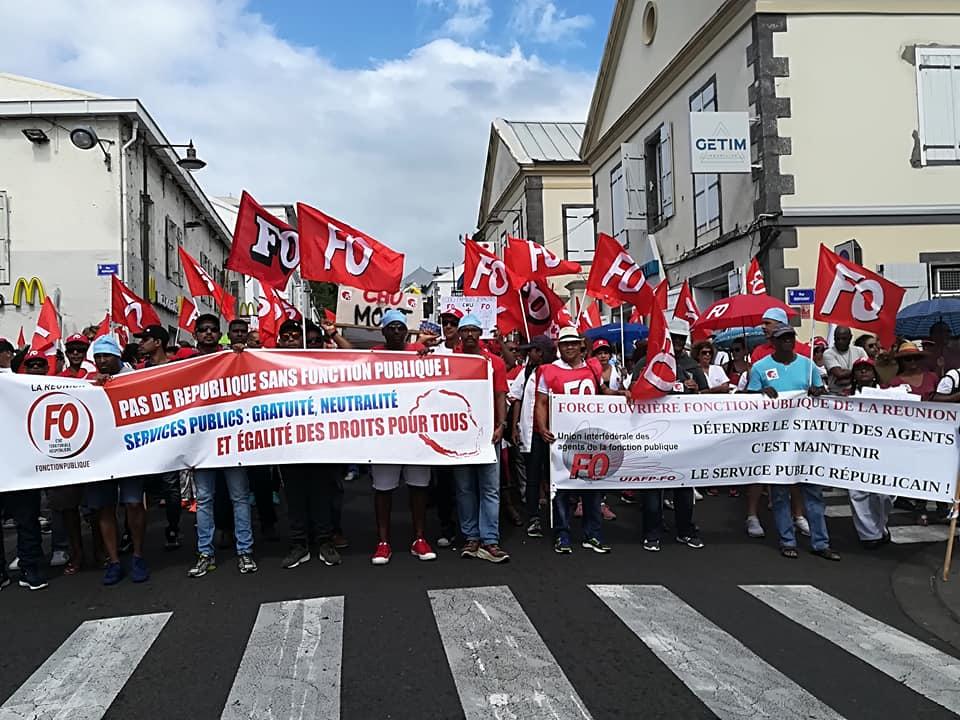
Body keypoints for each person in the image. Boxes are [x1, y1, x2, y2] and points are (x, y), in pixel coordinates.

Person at [747, 324, 839, 561]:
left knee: (813, 492)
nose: (787, 342)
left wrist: (817, 391)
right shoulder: (760, 368)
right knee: (779, 494)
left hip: (806, 439)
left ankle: (821, 543)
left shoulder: (808, 366)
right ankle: (787, 540)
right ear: (773, 343)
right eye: (782, 338)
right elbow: (747, 401)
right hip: (777, 442)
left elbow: (821, 391)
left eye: (790, 338)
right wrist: (760, 392)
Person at [534, 327, 617, 554]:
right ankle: (562, 534)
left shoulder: (592, 367)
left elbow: (604, 392)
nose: (569, 347)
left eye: (573, 343)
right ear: (559, 347)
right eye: (564, 344)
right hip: (562, 439)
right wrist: (542, 427)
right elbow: (541, 402)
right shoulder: (548, 370)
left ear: (581, 345)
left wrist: (623, 395)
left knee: (591, 486)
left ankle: (593, 534)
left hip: (590, 437)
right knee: (561, 488)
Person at [187, 316, 257, 579]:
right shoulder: (186, 364)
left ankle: (245, 551)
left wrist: (241, 354)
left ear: (219, 334)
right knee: (204, 499)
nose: (208, 333)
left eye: (212, 330)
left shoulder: (232, 358)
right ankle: (205, 553)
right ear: (195, 334)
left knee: (240, 498)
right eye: (203, 330)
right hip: (200, 444)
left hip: (231, 441)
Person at [367, 310, 437, 565]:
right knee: (383, 488)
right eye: (391, 328)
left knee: (419, 486)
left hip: (416, 432)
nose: (396, 332)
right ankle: (383, 542)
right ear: (383, 332)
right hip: (385, 433)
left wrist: (428, 357)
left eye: (400, 328)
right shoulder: (373, 355)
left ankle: (419, 538)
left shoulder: (418, 352)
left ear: (407, 331)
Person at [84, 336, 153, 584]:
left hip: (130, 453)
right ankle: (113, 561)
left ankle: (137, 556)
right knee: (105, 507)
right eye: (98, 357)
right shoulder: (88, 382)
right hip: (102, 455)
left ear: (118, 356)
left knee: (133, 504)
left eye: (107, 356)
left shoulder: (134, 378)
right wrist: (95, 386)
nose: (102, 361)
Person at [276, 319, 342, 569]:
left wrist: (333, 334)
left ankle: (325, 541)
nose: (291, 340)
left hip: (319, 440)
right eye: (286, 337)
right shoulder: (268, 363)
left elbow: (351, 358)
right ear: (280, 341)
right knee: (294, 496)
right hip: (287, 443)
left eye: (296, 336)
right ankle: (299, 544)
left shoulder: (321, 361)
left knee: (321, 494)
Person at [452, 314, 509, 563]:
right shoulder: (451, 360)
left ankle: (490, 539)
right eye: (465, 330)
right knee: (464, 488)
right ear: (459, 334)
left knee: (489, 488)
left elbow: (500, 395)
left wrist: (502, 425)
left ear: (480, 333)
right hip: (460, 434)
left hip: (487, 434)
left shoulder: (495, 362)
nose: (469, 335)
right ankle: (471, 536)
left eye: (473, 330)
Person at [509, 335, 554, 538]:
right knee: (533, 476)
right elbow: (516, 398)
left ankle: (557, 516)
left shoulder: (555, 371)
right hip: (532, 432)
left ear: (541, 352)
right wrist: (514, 427)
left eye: (532, 350)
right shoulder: (527, 372)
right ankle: (534, 517)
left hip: (553, 433)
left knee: (554, 476)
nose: (529, 354)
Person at [847, 358, 893, 548]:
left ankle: (881, 526)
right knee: (858, 493)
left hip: (884, 450)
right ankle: (868, 535)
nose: (864, 372)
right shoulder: (845, 398)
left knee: (885, 495)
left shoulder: (889, 395)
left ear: (875, 373)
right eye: (859, 369)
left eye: (867, 369)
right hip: (855, 450)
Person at [823, 326, 868, 395]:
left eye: (844, 338)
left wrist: (847, 377)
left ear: (850, 337)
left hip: (857, 392)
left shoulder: (859, 351)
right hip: (836, 394)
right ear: (834, 338)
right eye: (837, 339)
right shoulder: (829, 353)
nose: (840, 341)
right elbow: (839, 374)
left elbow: (867, 371)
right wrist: (857, 373)